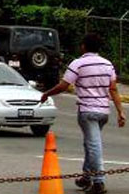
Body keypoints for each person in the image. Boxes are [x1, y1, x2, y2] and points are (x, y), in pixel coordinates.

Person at [40, 33, 126, 194]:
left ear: (83, 46)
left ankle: (99, 182)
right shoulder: (108, 64)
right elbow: (113, 89)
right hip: (103, 113)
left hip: (87, 111)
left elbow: (63, 86)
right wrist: (121, 111)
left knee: (94, 145)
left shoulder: (78, 63)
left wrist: (47, 94)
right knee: (91, 144)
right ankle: (86, 178)